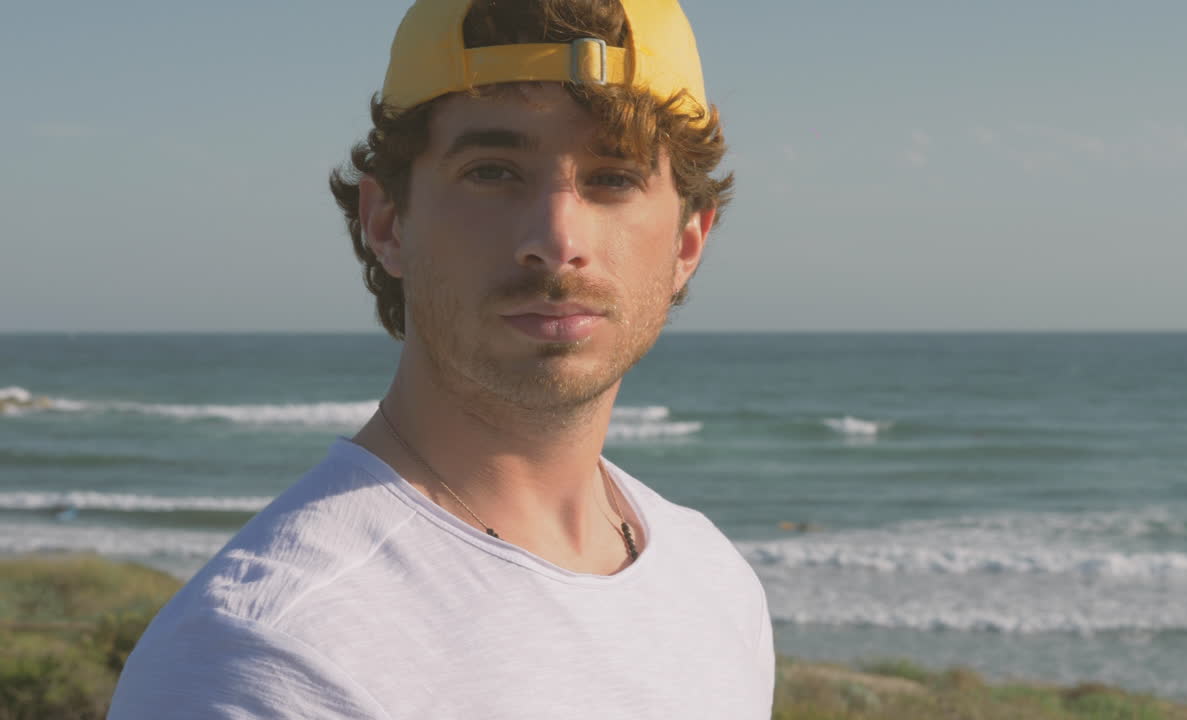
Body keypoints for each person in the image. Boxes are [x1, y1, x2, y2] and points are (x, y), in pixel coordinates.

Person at [108, 0, 773, 717]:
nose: (555, 239)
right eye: (493, 172)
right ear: (387, 223)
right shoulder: (264, 660)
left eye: (613, 178)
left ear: (686, 244)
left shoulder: (714, 583)